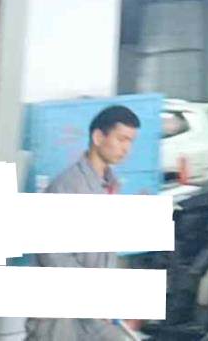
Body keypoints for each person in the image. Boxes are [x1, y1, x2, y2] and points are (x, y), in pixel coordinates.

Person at [26, 104, 142, 341]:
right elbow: (53, 255)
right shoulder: (68, 187)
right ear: (98, 137)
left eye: (131, 142)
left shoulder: (109, 186)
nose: (126, 148)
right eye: (121, 139)